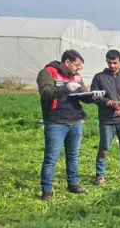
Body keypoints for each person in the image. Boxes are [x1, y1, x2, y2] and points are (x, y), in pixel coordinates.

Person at [37, 49, 105, 201]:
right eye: (77, 65)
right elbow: (46, 93)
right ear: (67, 62)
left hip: (75, 121)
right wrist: (65, 88)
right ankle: (46, 190)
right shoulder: (48, 72)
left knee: (73, 156)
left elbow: (83, 96)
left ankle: (73, 184)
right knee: (51, 158)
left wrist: (94, 96)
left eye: (81, 66)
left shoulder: (76, 76)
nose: (78, 68)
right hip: (56, 122)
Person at [89, 49, 120, 184]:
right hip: (107, 120)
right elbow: (94, 96)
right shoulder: (99, 78)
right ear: (106, 61)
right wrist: (109, 103)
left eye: (115, 63)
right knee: (104, 147)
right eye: (109, 62)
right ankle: (100, 175)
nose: (112, 66)